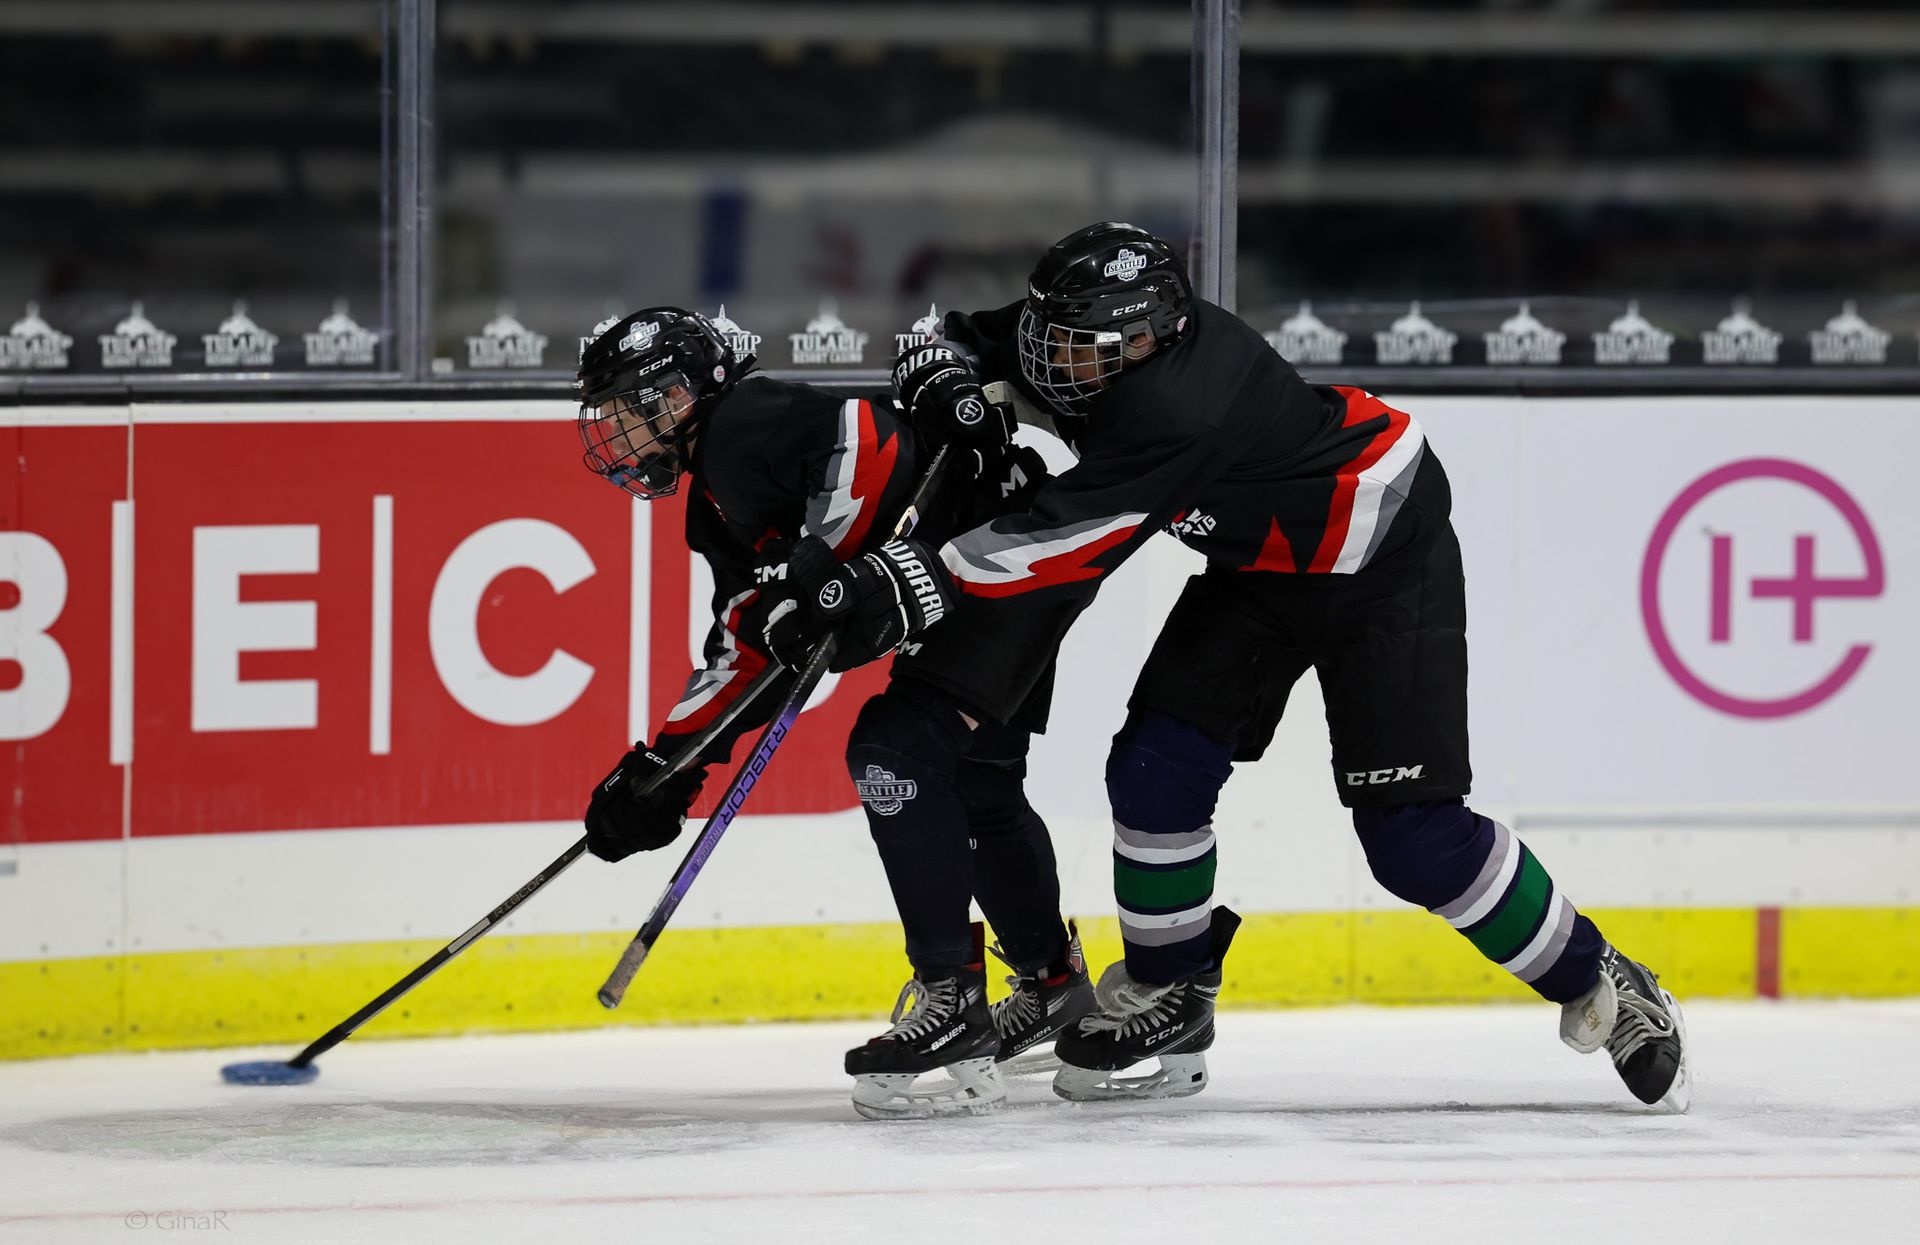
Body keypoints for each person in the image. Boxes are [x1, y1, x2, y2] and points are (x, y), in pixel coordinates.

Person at [801, 222, 1691, 1113]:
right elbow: (961, 333)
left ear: (1148, 340)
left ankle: (1604, 979)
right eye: (1050, 332)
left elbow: (1061, 540)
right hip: (1265, 566)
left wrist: (912, 575)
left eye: (1079, 346)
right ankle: (1172, 989)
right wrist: (937, 362)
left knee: (1414, 838)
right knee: (1153, 772)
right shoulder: (1088, 334)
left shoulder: (1183, 408)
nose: (1051, 357)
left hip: (1384, 554)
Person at [573, 307, 1092, 1120]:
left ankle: (951, 997)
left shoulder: (742, 424)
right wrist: (667, 767)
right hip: (997, 557)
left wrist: (824, 560)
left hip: (991, 559)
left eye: (631, 409)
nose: (619, 435)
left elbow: (866, 435)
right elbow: (748, 643)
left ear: (682, 394)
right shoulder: (712, 505)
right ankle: (1053, 983)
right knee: (981, 781)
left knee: (895, 755)